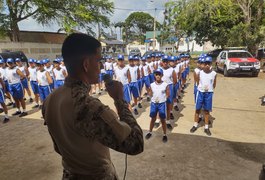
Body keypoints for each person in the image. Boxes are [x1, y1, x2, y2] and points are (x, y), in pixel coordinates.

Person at [43, 33, 143, 180]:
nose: (101, 66)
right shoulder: (88, 106)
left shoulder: (50, 99)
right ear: (86, 64)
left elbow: (59, 148)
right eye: (98, 60)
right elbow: (135, 144)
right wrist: (120, 100)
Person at [190, 56, 217, 136]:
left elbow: (214, 84)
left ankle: (206, 127)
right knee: (197, 109)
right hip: (200, 92)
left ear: (211, 64)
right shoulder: (199, 73)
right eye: (206, 63)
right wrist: (201, 89)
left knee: (206, 110)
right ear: (203, 64)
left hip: (209, 93)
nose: (207, 65)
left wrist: (209, 89)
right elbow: (197, 82)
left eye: (209, 63)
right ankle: (195, 125)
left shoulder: (214, 74)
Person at [145, 68, 169, 143]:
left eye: (159, 74)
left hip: (162, 104)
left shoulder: (165, 84)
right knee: (153, 118)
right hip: (154, 103)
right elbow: (150, 93)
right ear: (154, 75)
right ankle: (150, 132)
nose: (158, 76)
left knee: (162, 119)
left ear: (162, 75)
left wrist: (164, 99)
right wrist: (149, 93)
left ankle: (165, 134)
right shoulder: (152, 85)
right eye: (156, 74)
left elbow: (168, 94)